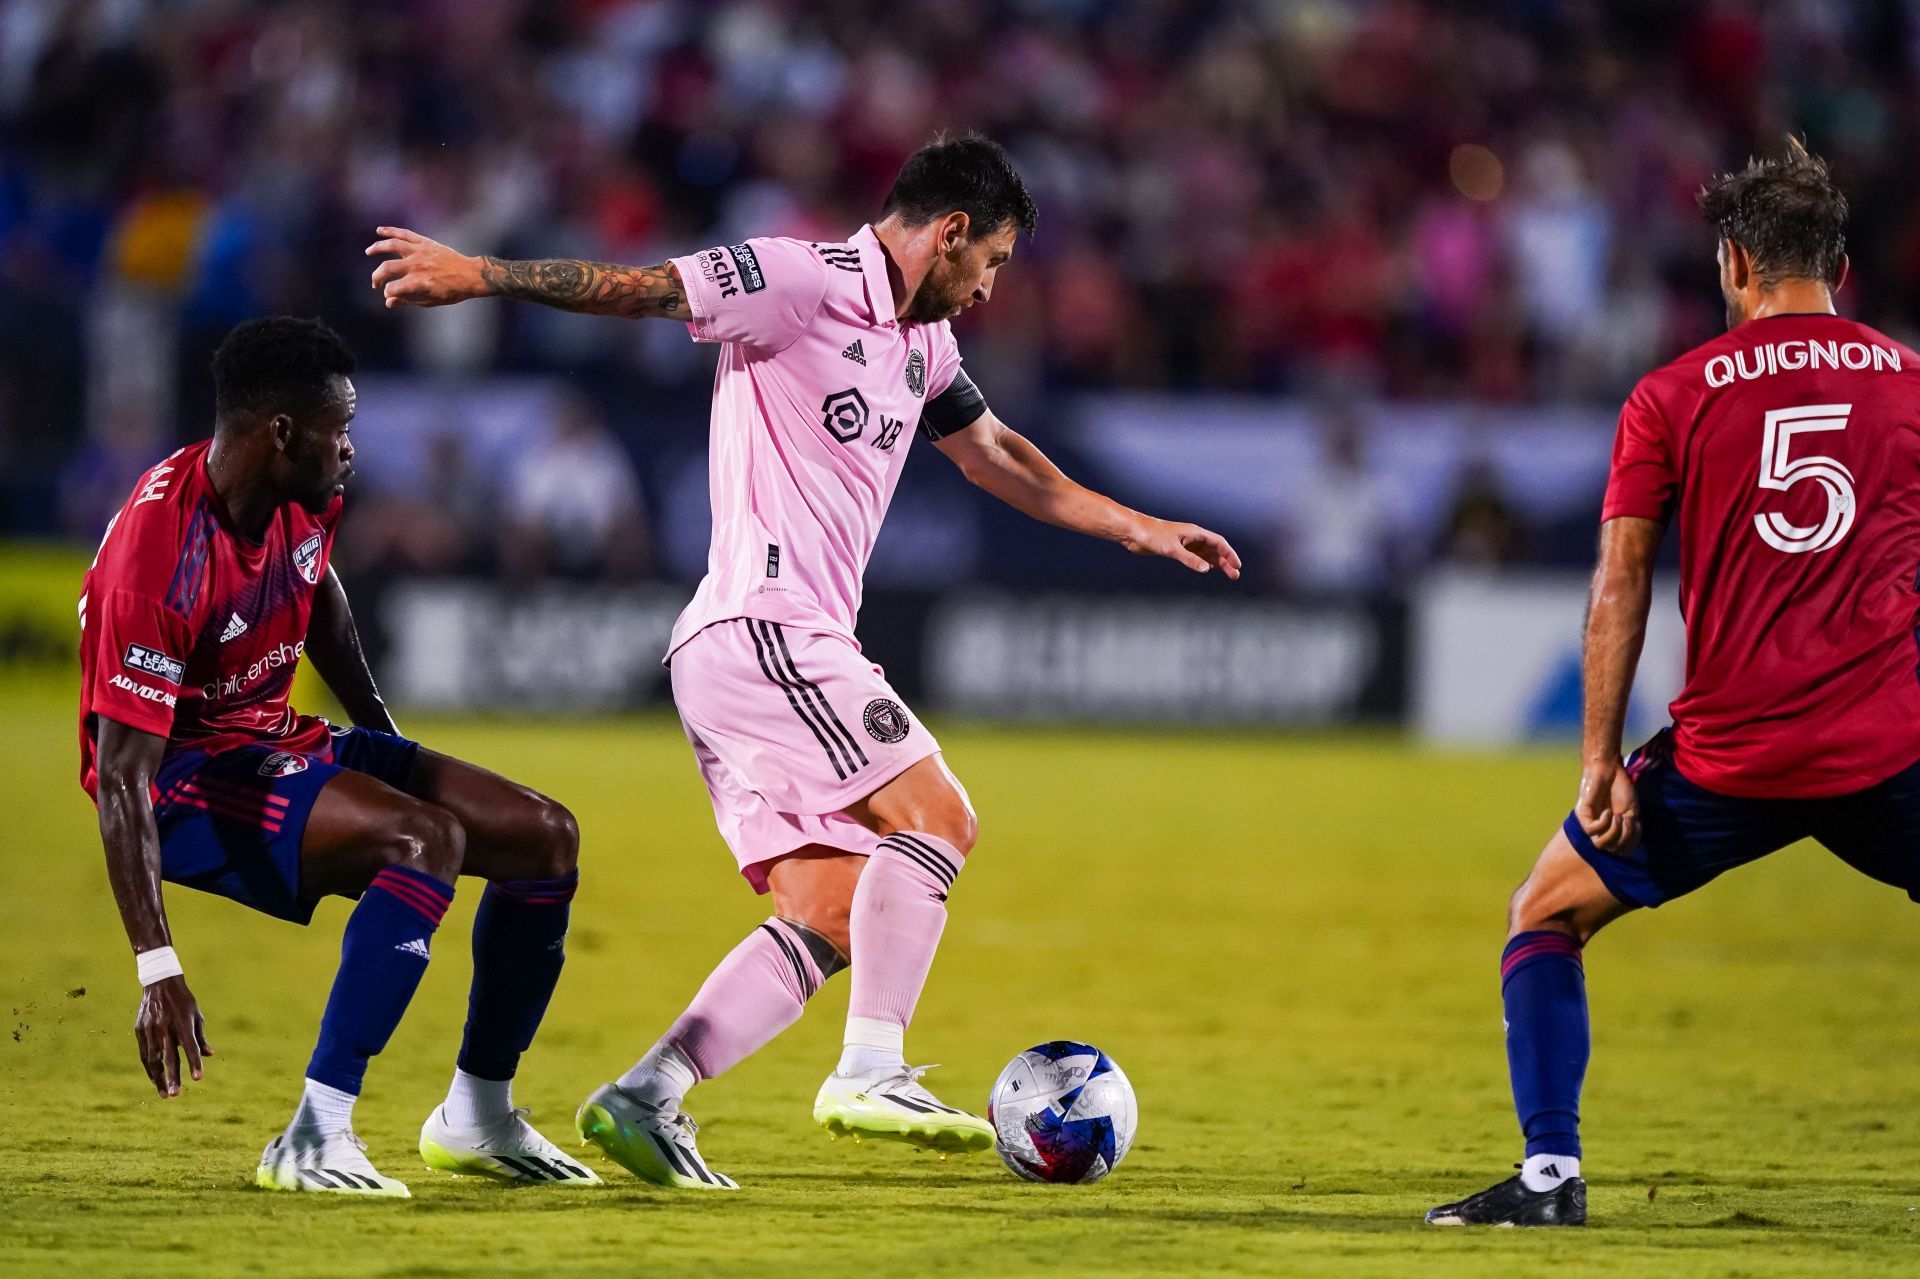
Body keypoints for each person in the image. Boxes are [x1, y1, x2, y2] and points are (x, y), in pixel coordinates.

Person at [367, 134, 1242, 1189]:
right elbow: (641, 288)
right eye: (994, 261)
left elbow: (998, 454)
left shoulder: (923, 346)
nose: (988, 287)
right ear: (952, 231)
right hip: (764, 627)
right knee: (940, 818)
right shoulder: (793, 279)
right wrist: (484, 275)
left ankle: (650, 1091)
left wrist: (1139, 527)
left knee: (830, 909)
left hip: (763, 646)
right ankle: (871, 1069)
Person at [1427, 140, 1920, 1227]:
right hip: (1890, 747)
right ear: (1836, 266)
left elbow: (1620, 585)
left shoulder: (1673, 393)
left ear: (1737, 263)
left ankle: (1550, 1179)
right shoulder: (1913, 385)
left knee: (1543, 913)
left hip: (1729, 758)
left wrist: (1602, 757)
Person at [80, 316, 596, 1197]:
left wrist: (383, 742)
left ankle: (478, 1113)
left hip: (278, 739)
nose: (352, 448)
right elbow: (123, 775)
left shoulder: (298, 492)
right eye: (341, 428)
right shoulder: (158, 555)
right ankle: (315, 1132)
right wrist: (157, 966)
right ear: (281, 432)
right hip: (187, 780)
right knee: (423, 839)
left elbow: (318, 591)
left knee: (545, 835)